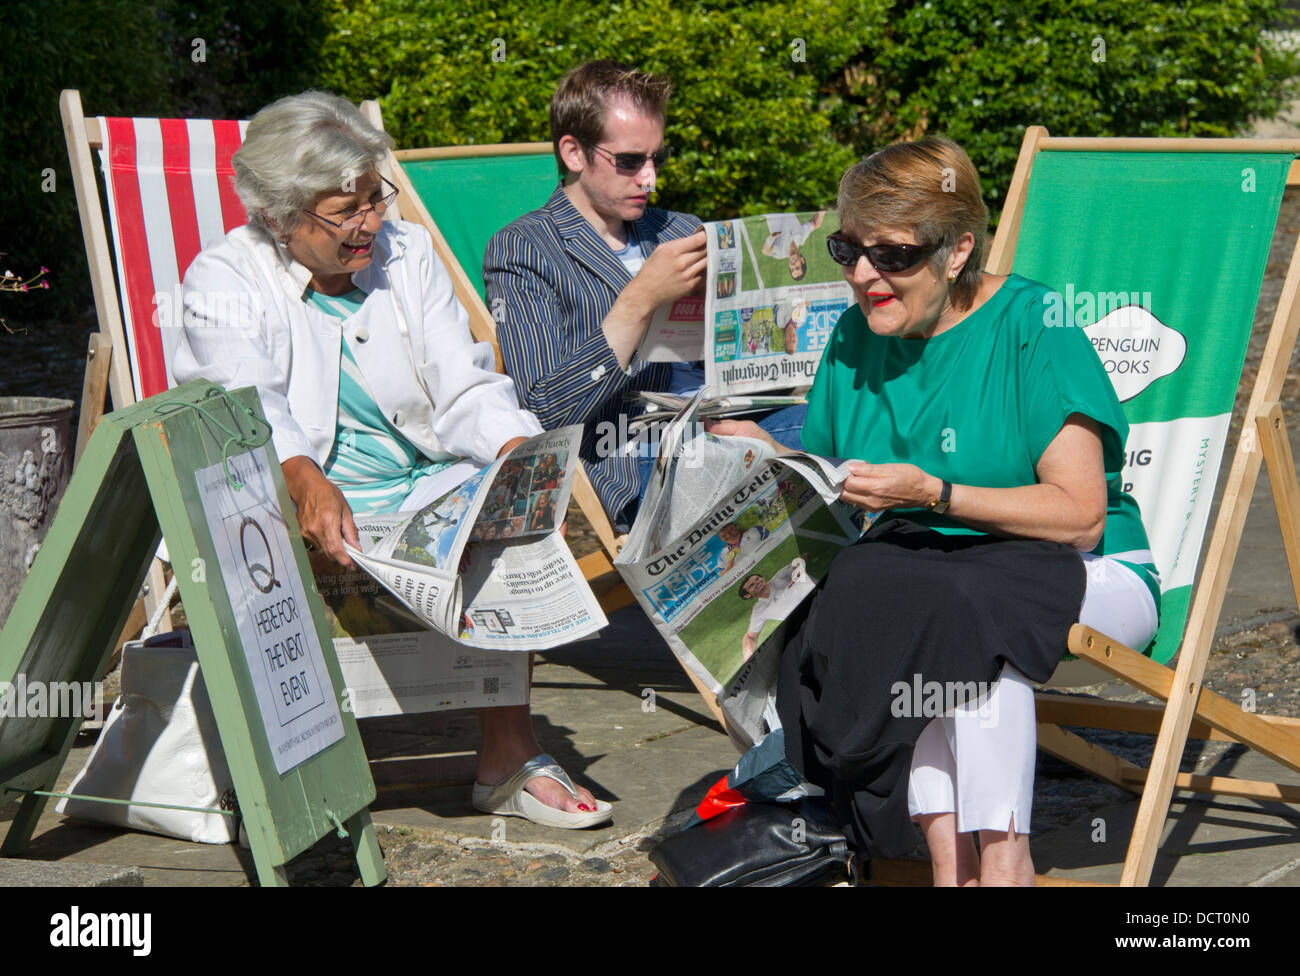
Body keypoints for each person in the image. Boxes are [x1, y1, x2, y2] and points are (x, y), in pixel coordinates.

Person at [708, 136, 1159, 885]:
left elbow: (1079, 515)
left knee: (956, 611)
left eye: (894, 256)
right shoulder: (856, 338)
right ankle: (957, 870)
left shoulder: (1035, 324)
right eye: (848, 249)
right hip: (938, 585)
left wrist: (935, 494)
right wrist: (764, 456)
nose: (862, 276)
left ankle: (1000, 861)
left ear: (957, 253)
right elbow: (827, 485)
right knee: (899, 599)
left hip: (1087, 570)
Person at [172, 90, 612, 830]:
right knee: (261, 530)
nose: (370, 222)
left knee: (507, 514)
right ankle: (292, 767)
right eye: (344, 211)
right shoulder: (224, 280)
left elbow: (461, 382)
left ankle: (507, 751)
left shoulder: (404, 254)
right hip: (297, 502)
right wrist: (304, 476)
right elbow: (248, 411)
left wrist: (514, 449)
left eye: (375, 197)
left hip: (418, 486)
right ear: (280, 217)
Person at [485, 59, 806, 531]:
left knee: (854, 430)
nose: (650, 178)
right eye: (631, 161)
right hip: (636, 453)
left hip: (733, 424)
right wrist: (640, 299)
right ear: (574, 153)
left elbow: (752, 372)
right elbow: (544, 411)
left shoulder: (680, 230)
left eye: (658, 157)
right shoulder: (525, 247)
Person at [738, 556, 814, 661]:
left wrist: (798, 565)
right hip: (807, 624)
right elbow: (750, 637)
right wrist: (749, 656)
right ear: (747, 595)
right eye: (751, 585)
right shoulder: (758, 610)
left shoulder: (779, 577)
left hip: (819, 595)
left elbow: (802, 558)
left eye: (757, 579)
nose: (757, 583)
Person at [761, 211, 825, 281]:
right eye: (797, 267)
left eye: (792, 269)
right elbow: (815, 224)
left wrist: (771, 238)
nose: (793, 265)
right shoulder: (801, 239)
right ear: (802, 261)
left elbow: (765, 251)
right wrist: (823, 210)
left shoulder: (780, 253)